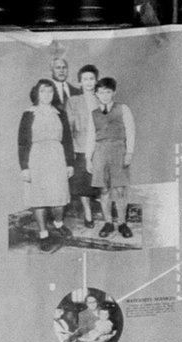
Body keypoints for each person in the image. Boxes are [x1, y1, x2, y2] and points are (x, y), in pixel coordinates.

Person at [18, 78, 75, 253]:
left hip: (57, 157)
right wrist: (25, 167)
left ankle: (58, 223)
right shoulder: (29, 114)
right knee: (39, 198)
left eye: (50, 91)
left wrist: (70, 163)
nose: (47, 94)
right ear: (36, 93)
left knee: (59, 197)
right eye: (43, 91)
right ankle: (43, 234)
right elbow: (22, 142)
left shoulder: (60, 113)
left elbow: (67, 140)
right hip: (36, 158)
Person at [86, 76, 136, 240]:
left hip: (118, 150)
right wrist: (88, 158)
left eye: (108, 92)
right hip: (100, 152)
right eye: (101, 92)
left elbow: (130, 131)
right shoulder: (93, 114)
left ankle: (122, 223)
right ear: (96, 94)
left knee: (120, 189)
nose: (105, 95)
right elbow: (90, 137)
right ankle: (108, 222)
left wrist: (129, 152)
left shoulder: (123, 109)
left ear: (113, 92)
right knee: (104, 190)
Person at [66, 64, 101, 228]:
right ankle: (88, 213)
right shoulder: (73, 101)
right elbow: (69, 127)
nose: (88, 82)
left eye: (91, 78)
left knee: (103, 182)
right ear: (80, 82)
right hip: (80, 147)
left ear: (96, 81)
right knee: (83, 185)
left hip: (101, 148)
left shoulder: (103, 98)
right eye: (85, 79)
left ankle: (106, 216)